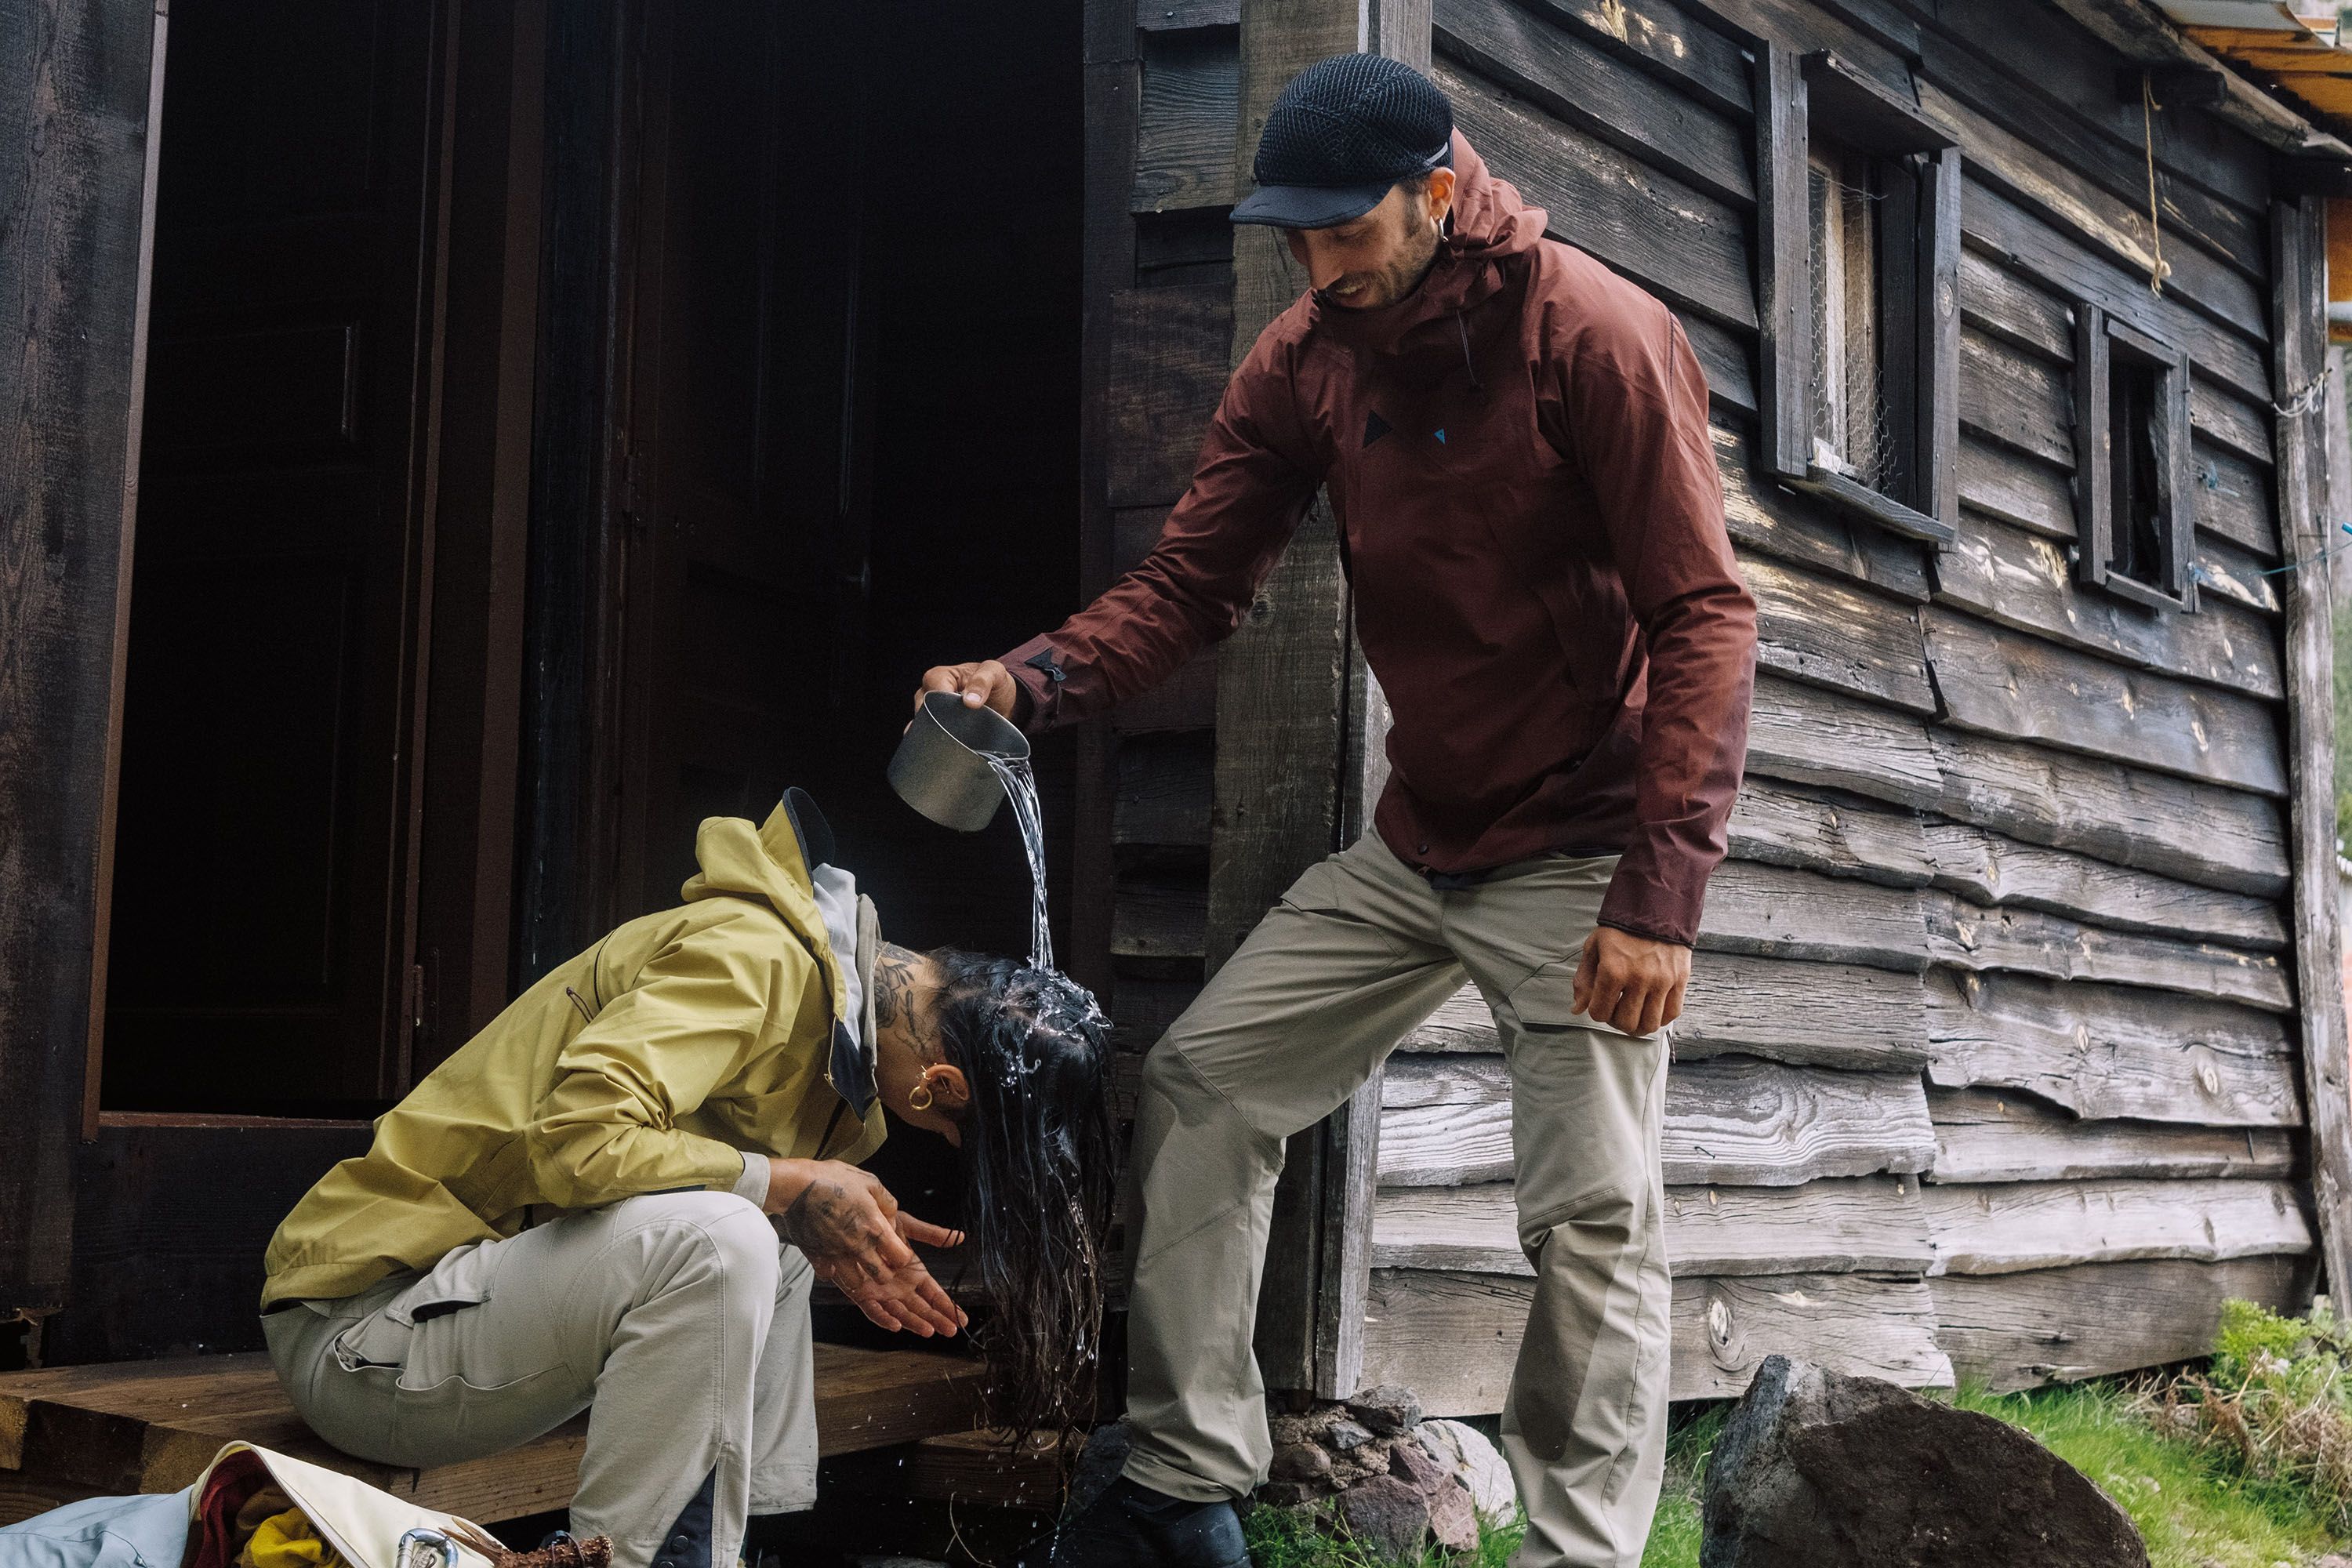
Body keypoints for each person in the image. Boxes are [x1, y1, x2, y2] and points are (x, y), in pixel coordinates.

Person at [918, 53, 1758, 1568]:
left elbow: (1704, 616)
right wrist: (1028, 681)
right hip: (1421, 837)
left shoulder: (1596, 337)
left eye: (1343, 232)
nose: (1318, 269)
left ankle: (1580, 1550)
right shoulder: (1310, 359)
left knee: (1590, 1213)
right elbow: (1190, 585)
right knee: (1206, 1086)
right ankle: (1181, 1478)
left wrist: (1661, 896)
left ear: (1438, 193)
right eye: (1292, 239)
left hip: (1584, 844)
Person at [257, 789, 1119, 1568]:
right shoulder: (758, 962)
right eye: (942, 1129)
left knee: (772, 1238)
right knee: (732, 1232)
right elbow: (577, 1140)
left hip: (466, 1322)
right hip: (363, 1336)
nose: (914, 1131)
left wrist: (799, 1203)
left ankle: (744, 1548)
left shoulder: (834, 1024)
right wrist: (786, 1180)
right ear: (943, 1085)